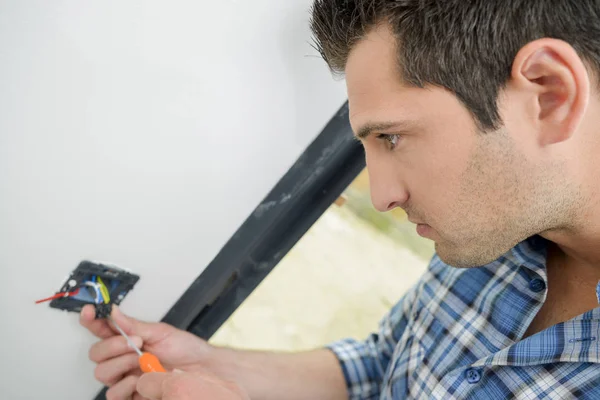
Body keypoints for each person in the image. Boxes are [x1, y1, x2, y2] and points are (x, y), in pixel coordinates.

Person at [81, 0, 600, 398]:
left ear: (549, 94)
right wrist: (217, 365)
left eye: (391, 138)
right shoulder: (494, 223)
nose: (381, 195)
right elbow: (381, 369)